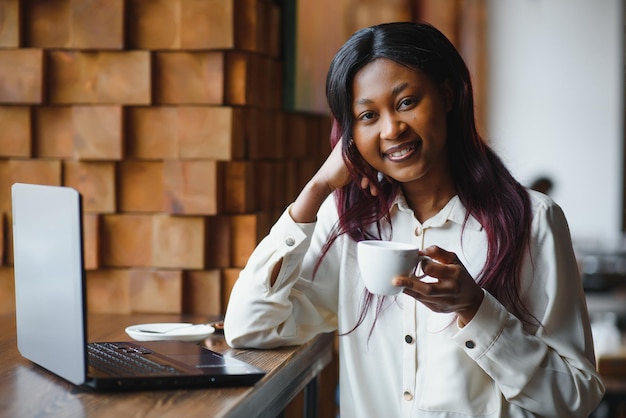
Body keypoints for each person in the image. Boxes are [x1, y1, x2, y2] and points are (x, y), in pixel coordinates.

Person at [224, 22, 605, 417]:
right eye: (368, 115)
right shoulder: (348, 224)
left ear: (447, 93)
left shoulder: (532, 219)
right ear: (350, 133)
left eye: (406, 102)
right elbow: (250, 327)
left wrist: (476, 309)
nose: (392, 129)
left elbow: (577, 397)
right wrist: (317, 188)